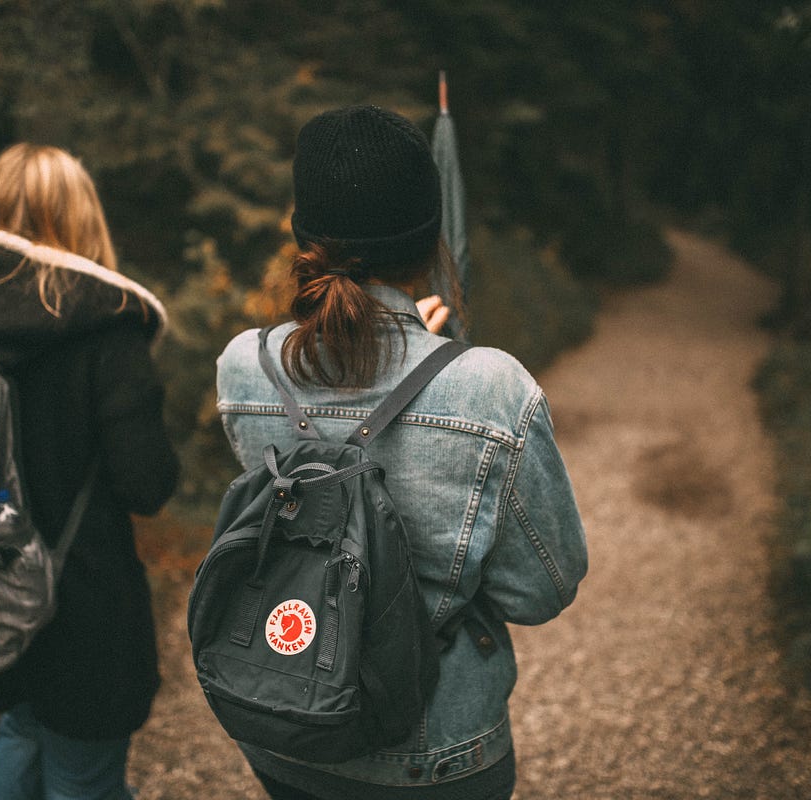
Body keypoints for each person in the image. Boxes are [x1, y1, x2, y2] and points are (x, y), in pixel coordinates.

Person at [215, 105, 588, 799]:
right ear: (429, 238)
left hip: (283, 724)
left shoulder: (242, 367)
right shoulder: (491, 387)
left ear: (305, 234)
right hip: (434, 752)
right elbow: (541, 590)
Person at [0, 143, 179, 799]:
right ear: (83, 218)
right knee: (83, 775)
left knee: (21, 730)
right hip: (82, 603)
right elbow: (146, 485)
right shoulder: (107, 326)